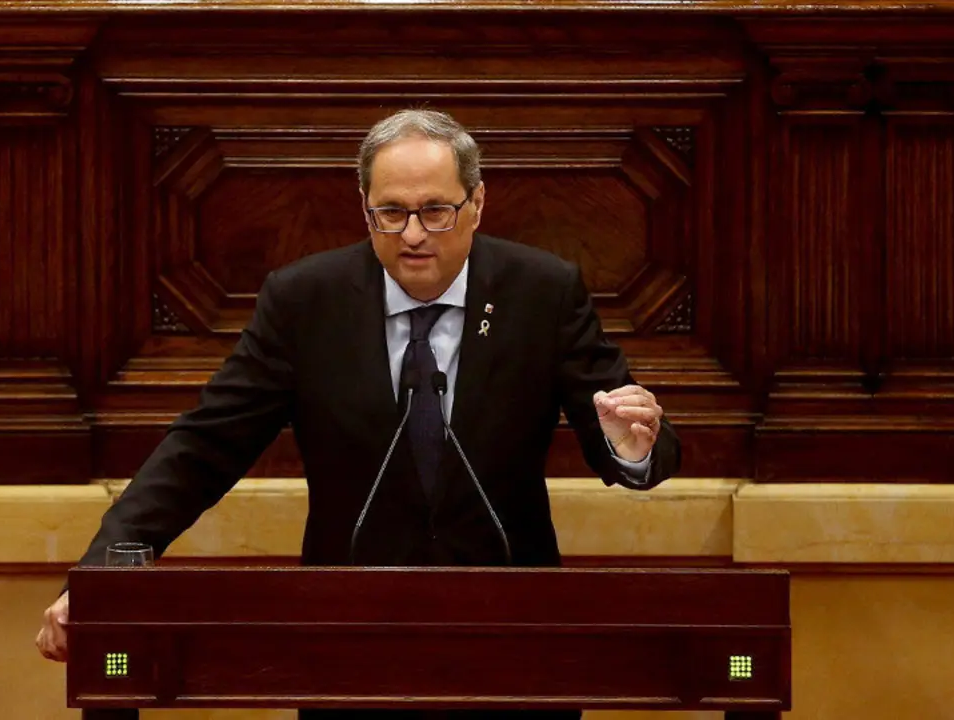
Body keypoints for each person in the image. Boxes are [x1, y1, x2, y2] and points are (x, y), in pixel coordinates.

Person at [37, 108, 681, 718]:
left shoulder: (542, 291)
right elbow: (205, 448)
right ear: (364, 209)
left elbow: (625, 433)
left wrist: (632, 447)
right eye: (391, 213)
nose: (413, 235)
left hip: (513, 632)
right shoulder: (305, 300)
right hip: (347, 635)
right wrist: (102, 579)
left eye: (436, 211)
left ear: (477, 203)